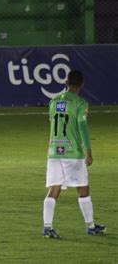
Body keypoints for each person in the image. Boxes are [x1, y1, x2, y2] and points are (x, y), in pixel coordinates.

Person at [42, 70, 106, 238]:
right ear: (82, 84)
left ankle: (47, 227)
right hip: (72, 153)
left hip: (54, 151)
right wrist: (88, 151)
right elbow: (82, 127)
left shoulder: (53, 101)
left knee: (54, 189)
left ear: (66, 82)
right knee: (83, 188)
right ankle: (90, 226)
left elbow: (52, 122)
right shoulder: (80, 103)